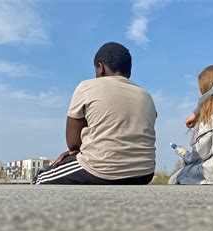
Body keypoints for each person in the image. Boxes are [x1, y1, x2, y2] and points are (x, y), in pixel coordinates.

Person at [34, 42, 157, 185]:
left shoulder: (86, 87)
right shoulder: (146, 95)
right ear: (128, 72)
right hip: (144, 173)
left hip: (101, 169)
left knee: (40, 179)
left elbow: (73, 143)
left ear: (100, 68)